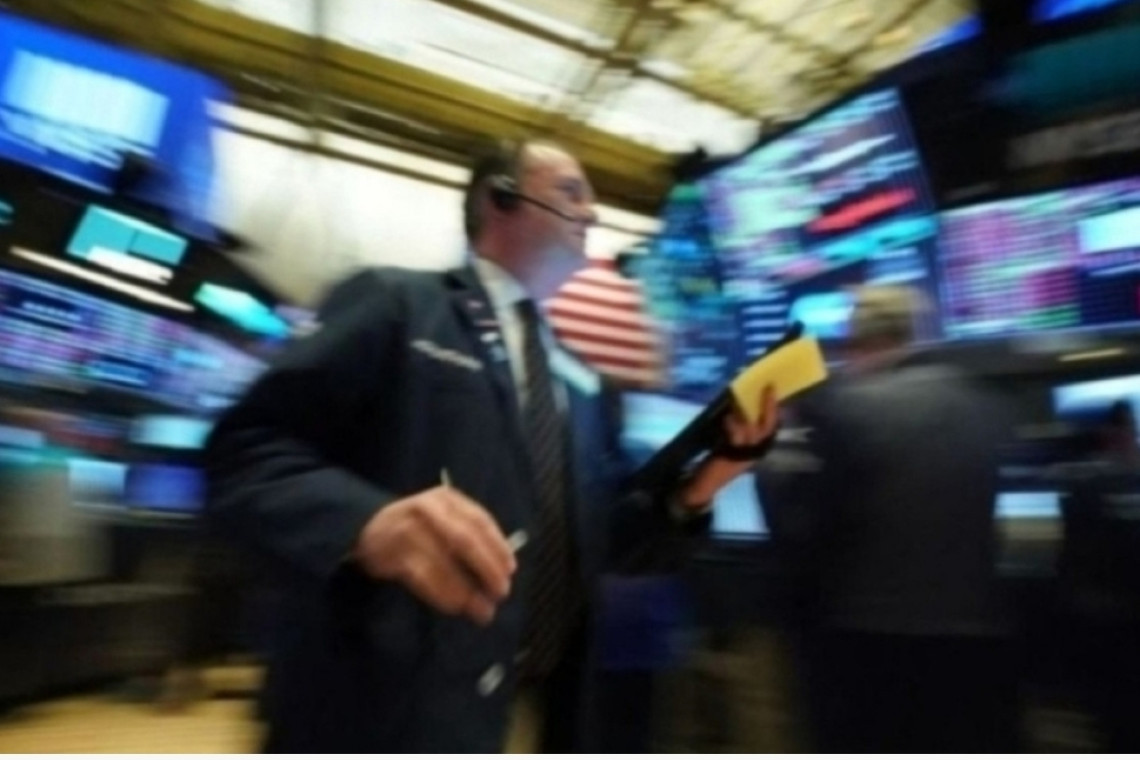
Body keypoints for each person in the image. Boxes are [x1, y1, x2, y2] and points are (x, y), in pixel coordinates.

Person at [203, 138, 779, 753]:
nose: (590, 213)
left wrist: (709, 479)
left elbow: (604, 538)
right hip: (386, 713)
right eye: (570, 193)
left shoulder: (577, 379)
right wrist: (365, 523)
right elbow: (246, 450)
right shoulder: (399, 304)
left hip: (534, 717)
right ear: (500, 200)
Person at [767, 285, 1019, 753]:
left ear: (860, 342)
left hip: (868, 645)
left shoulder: (843, 409)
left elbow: (804, 530)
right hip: (972, 644)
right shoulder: (983, 405)